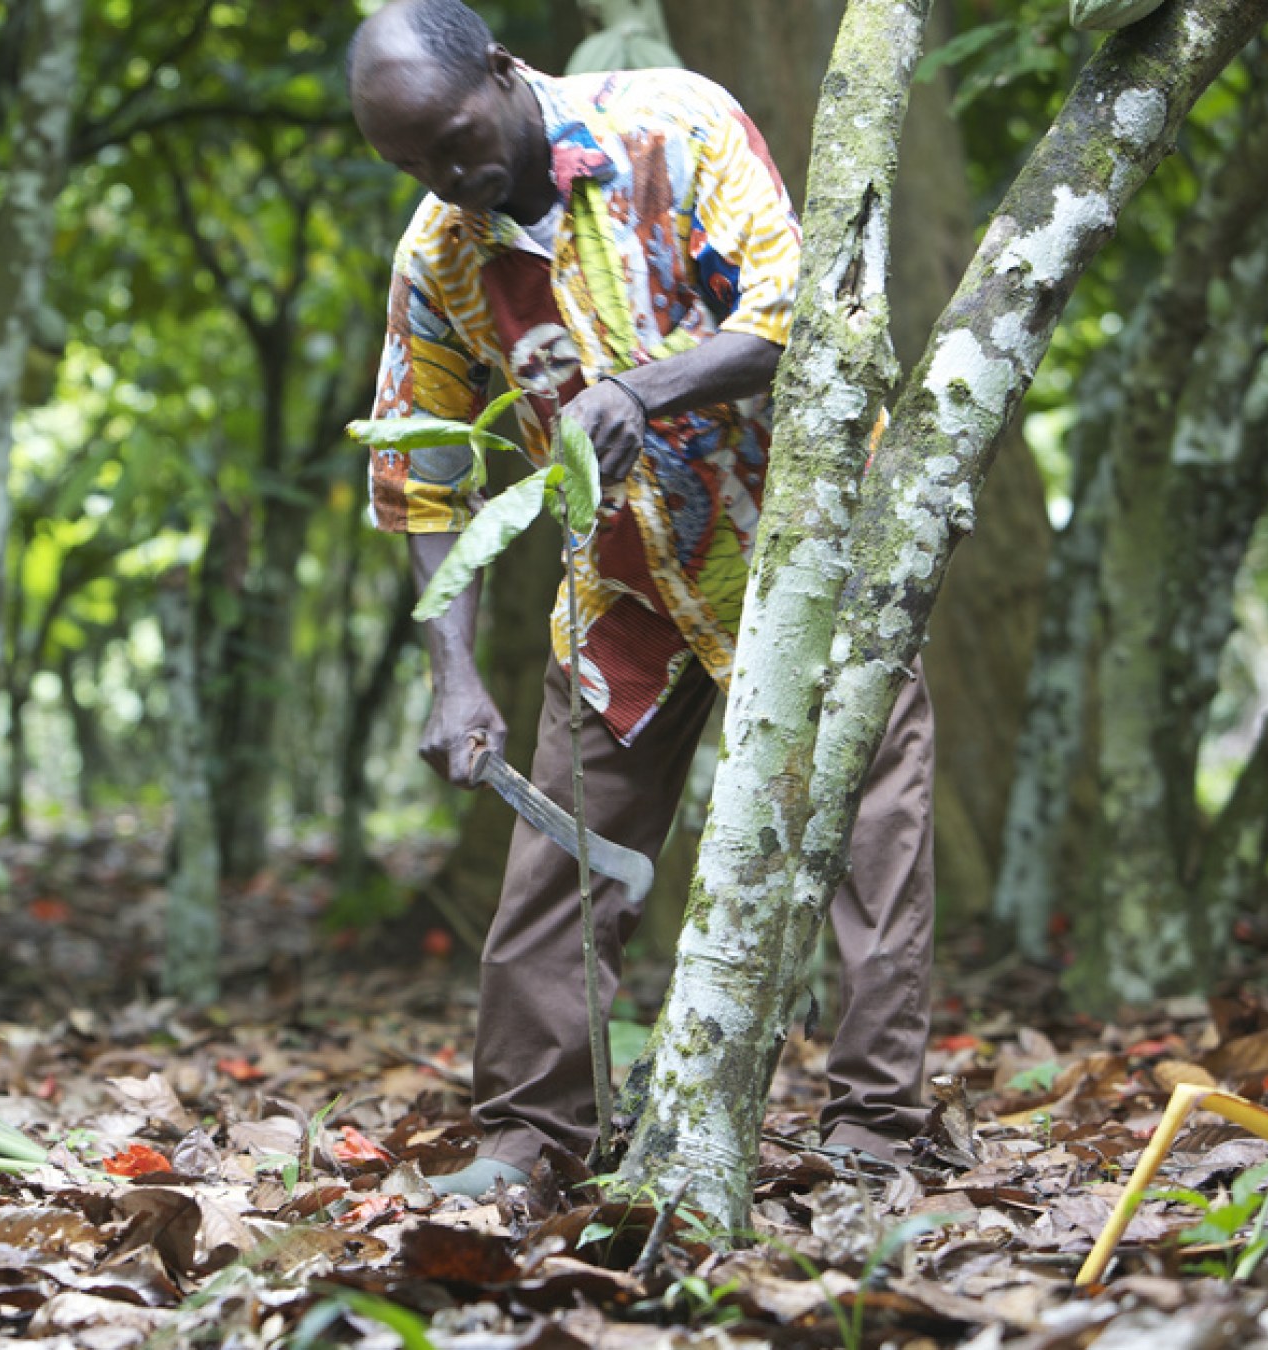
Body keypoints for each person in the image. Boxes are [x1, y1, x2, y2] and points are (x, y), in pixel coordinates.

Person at [348, 0, 937, 1196]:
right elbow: (424, 478)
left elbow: (797, 315)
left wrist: (640, 389)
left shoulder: (676, 126)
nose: (447, 180)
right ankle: (529, 1141)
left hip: (803, 556)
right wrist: (452, 676)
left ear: (503, 72)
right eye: (414, 165)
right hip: (625, 591)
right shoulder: (440, 257)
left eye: (454, 142)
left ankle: (875, 1132)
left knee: (871, 838)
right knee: (556, 865)